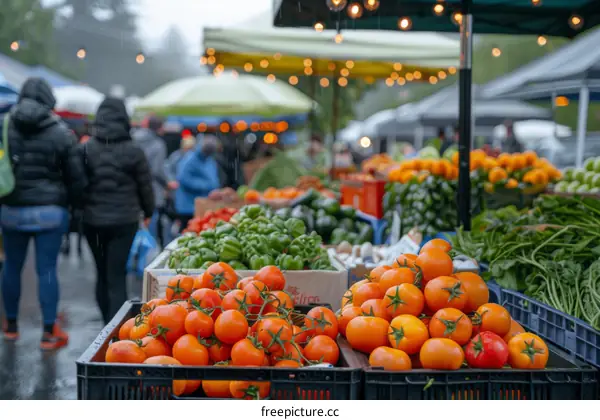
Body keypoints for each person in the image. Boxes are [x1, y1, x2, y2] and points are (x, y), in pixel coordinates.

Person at [0, 77, 86, 350]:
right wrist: (74, 208)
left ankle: (11, 326)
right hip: (50, 212)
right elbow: (76, 179)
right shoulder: (61, 132)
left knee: (11, 267)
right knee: (47, 270)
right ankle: (49, 331)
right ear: (49, 99)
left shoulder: (5, 126)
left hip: (11, 209)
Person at [79, 97, 154, 325]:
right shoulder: (134, 151)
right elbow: (145, 186)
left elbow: (79, 185)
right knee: (117, 275)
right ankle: (116, 330)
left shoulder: (85, 149)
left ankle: (105, 325)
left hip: (93, 221)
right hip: (125, 220)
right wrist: (148, 211)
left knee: (101, 274)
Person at [132, 116, 168, 246]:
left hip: (133, 191)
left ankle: (133, 260)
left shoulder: (133, 139)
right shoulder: (158, 145)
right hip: (153, 190)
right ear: (159, 128)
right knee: (150, 230)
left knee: (135, 230)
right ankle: (146, 261)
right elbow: (158, 170)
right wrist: (168, 183)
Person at [175, 134, 220, 230]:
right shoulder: (189, 160)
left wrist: (215, 188)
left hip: (203, 205)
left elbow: (213, 178)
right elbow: (183, 179)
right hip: (188, 207)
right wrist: (208, 186)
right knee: (188, 233)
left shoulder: (209, 160)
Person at [164, 134, 196, 235]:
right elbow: (167, 169)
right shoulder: (176, 156)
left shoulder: (196, 159)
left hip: (190, 194)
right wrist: (171, 181)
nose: (189, 150)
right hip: (178, 193)